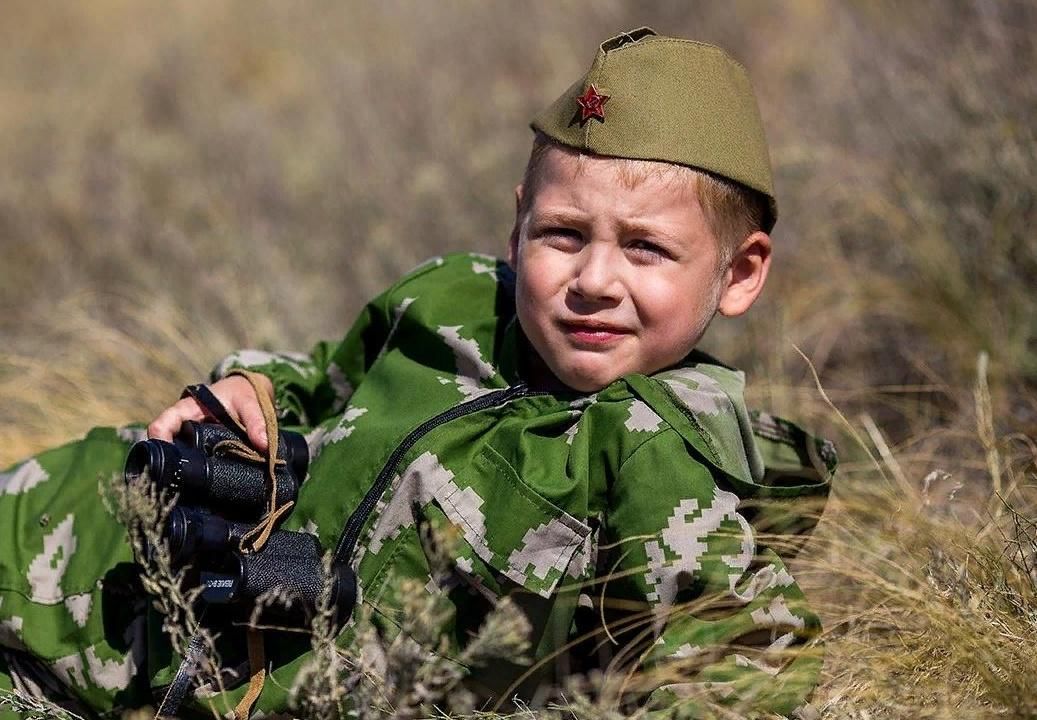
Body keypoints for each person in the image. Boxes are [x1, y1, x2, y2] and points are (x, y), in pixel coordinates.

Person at [0, 28, 835, 719]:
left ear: (741, 272)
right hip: (86, 543)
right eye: (563, 234)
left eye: (646, 248)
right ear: (516, 226)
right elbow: (324, 378)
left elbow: (743, 656)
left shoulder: (655, 451)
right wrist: (252, 390)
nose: (593, 281)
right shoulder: (454, 298)